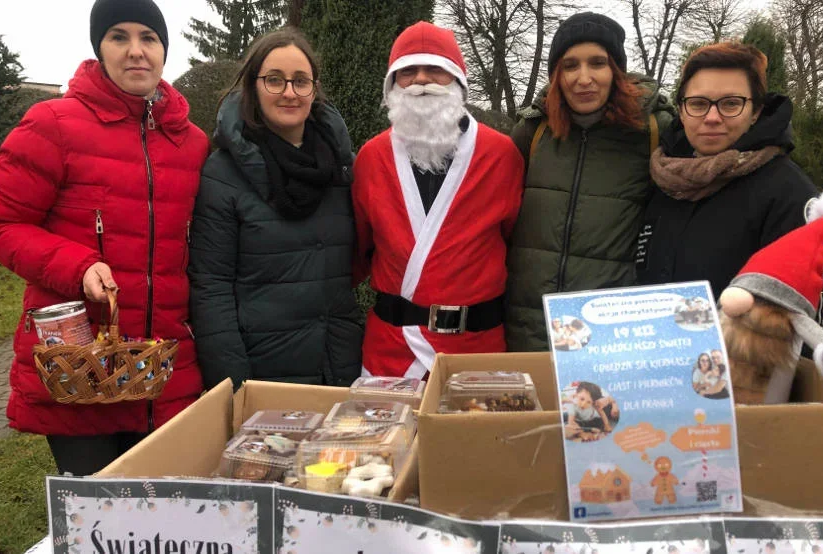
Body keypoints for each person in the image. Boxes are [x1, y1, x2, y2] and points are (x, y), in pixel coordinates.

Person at [0, 0, 209, 475]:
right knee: (95, 519)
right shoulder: (53, 124)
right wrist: (75, 266)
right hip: (81, 370)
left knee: (166, 519)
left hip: (164, 368)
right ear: (99, 49)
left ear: (165, 50)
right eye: (119, 37)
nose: (136, 51)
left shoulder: (193, 143)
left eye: (149, 38)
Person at [188, 28, 362, 390]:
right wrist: (233, 385)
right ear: (253, 86)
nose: (289, 92)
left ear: (314, 90)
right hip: (262, 372)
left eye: (301, 81)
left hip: (339, 367)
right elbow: (211, 287)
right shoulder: (224, 172)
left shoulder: (341, 168)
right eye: (274, 80)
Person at [352, 21, 524, 378]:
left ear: (459, 82)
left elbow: (515, 242)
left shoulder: (501, 155)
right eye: (408, 72)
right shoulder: (371, 157)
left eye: (436, 70)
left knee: (473, 436)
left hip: (476, 350)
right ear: (392, 85)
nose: (421, 81)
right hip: (390, 352)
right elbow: (359, 249)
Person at [505, 12, 675, 352]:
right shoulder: (532, 132)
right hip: (528, 326)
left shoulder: (654, 131)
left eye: (597, 63)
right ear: (556, 74)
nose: (584, 78)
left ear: (616, 70)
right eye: (570, 65)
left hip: (608, 333)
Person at [634, 42, 817, 298]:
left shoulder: (787, 193)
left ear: (755, 112)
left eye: (731, 104)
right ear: (682, 111)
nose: (712, 117)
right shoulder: (664, 183)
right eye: (698, 104)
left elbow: (802, 312)